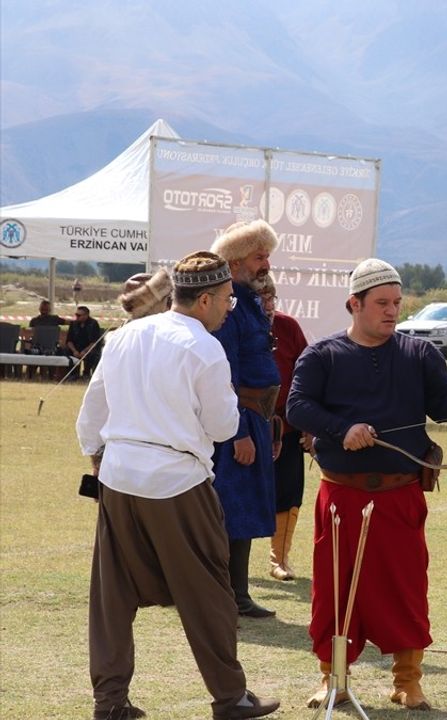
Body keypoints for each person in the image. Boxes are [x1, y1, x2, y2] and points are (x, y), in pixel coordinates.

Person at [287, 258, 447, 711]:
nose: (391, 311)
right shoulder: (321, 355)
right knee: (334, 590)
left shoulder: (418, 353)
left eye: (397, 303)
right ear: (354, 303)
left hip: (400, 495)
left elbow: (443, 406)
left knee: (406, 588)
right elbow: (298, 407)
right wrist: (341, 428)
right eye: (381, 303)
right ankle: (334, 679)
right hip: (341, 497)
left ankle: (408, 680)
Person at [75, 251, 280, 720]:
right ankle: (230, 698)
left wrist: (104, 464)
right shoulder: (205, 348)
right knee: (208, 592)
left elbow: (91, 418)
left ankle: (110, 703)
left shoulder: (123, 337)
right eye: (228, 298)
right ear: (205, 299)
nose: (231, 306)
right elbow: (224, 426)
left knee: (111, 598)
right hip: (178, 481)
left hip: (120, 478)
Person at [209, 220, 282, 618]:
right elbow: (227, 372)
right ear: (236, 262)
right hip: (237, 419)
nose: (265, 264)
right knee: (230, 509)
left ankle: (237, 592)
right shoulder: (229, 306)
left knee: (246, 507)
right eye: (259, 256)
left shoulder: (248, 300)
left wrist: (268, 426)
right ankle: (227, 595)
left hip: (256, 417)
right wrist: (238, 430)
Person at [256, 276, 311, 581]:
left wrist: (308, 424)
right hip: (242, 426)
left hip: (287, 427)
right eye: (261, 299)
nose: (268, 306)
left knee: (288, 492)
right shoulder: (233, 328)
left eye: (271, 298)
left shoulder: (288, 327)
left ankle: (280, 559)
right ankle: (226, 562)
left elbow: (307, 375)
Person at [65, 305, 105, 379]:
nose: (77, 317)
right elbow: (69, 340)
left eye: (79, 315)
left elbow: (95, 342)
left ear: (86, 315)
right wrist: (74, 351)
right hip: (76, 348)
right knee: (66, 352)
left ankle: (86, 373)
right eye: (76, 314)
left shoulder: (93, 324)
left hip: (89, 348)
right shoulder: (73, 324)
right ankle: (73, 374)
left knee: (93, 354)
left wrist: (85, 351)